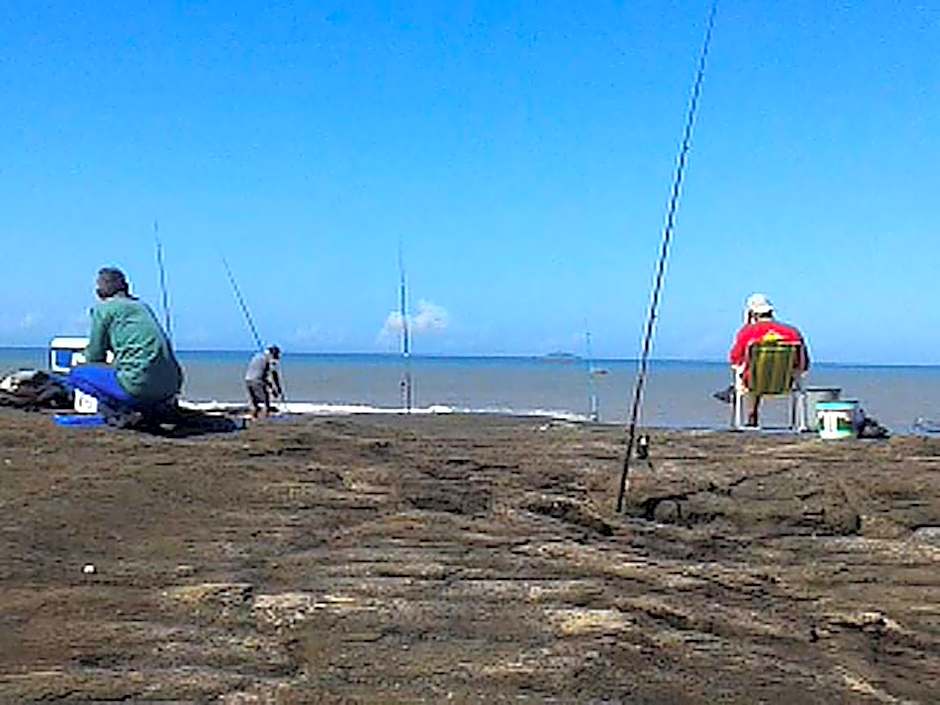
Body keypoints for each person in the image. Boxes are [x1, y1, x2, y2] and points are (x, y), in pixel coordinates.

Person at [68, 268, 183, 424]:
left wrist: (85, 357)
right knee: (124, 375)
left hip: (138, 386)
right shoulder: (142, 307)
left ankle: (119, 412)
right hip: (171, 386)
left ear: (100, 291)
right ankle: (153, 407)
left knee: (77, 375)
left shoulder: (103, 309)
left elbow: (95, 355)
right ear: (126, 287)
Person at [729, 293, 809, 426]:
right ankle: (799, 423)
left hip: (753, 382)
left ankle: (750, 415)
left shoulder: (747, 332)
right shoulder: (793, 332)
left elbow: (735, 359)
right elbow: (804, 364)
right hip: (784, 382)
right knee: (760, 371)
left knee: (754, 373)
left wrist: (747, 325)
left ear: (752, 314)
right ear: (771, 312)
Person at [245, 345, 283, 418]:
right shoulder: (269, 359)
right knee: (266, 400)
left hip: (248, 379)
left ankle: (254, 417)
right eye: (277, 355)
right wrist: (278, 388)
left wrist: (272, 388)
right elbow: (274, 374)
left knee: (253, 402)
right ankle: (265, 417)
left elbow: (263, 377)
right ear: (273, 353)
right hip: (257, 380)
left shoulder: (257, 356)